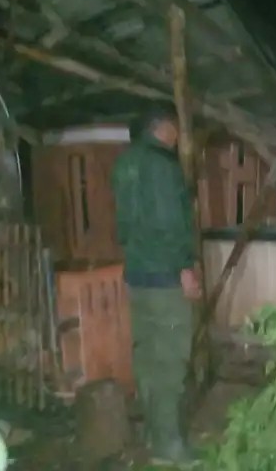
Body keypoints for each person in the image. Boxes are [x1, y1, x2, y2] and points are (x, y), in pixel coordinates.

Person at [110, 105, 201, 465]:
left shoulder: (124, 164)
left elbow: (124, 225)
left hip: (137, 275)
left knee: (146, 358)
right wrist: (185, 268)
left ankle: (152, 434)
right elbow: (168, 223)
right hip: (165, 278)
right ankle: (168, 447)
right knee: (169, 362)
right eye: (175, 127)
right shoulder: (162, 166)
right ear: (161, 127)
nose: (178, 135)